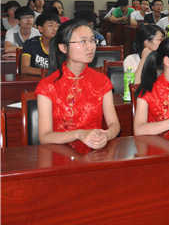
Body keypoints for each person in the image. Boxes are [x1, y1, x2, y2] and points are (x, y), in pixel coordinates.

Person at [36, 20, 120, 149]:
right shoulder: (47, 86)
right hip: (60, 152)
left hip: (95, 151)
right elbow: (45, 136)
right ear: (63, 47)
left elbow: (114, 124)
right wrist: (78, 134)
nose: (90, 47)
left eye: (92, 40)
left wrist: (107, 136)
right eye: (82, 41)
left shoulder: (102, 81)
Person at [21, 10, 60, 75]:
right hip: (35, 79)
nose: (55, 29)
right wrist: (48, 73)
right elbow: (24, 68)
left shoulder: (62, 45)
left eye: (57, 26)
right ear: (40, 28)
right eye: (50, 25)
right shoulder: (30, 43)